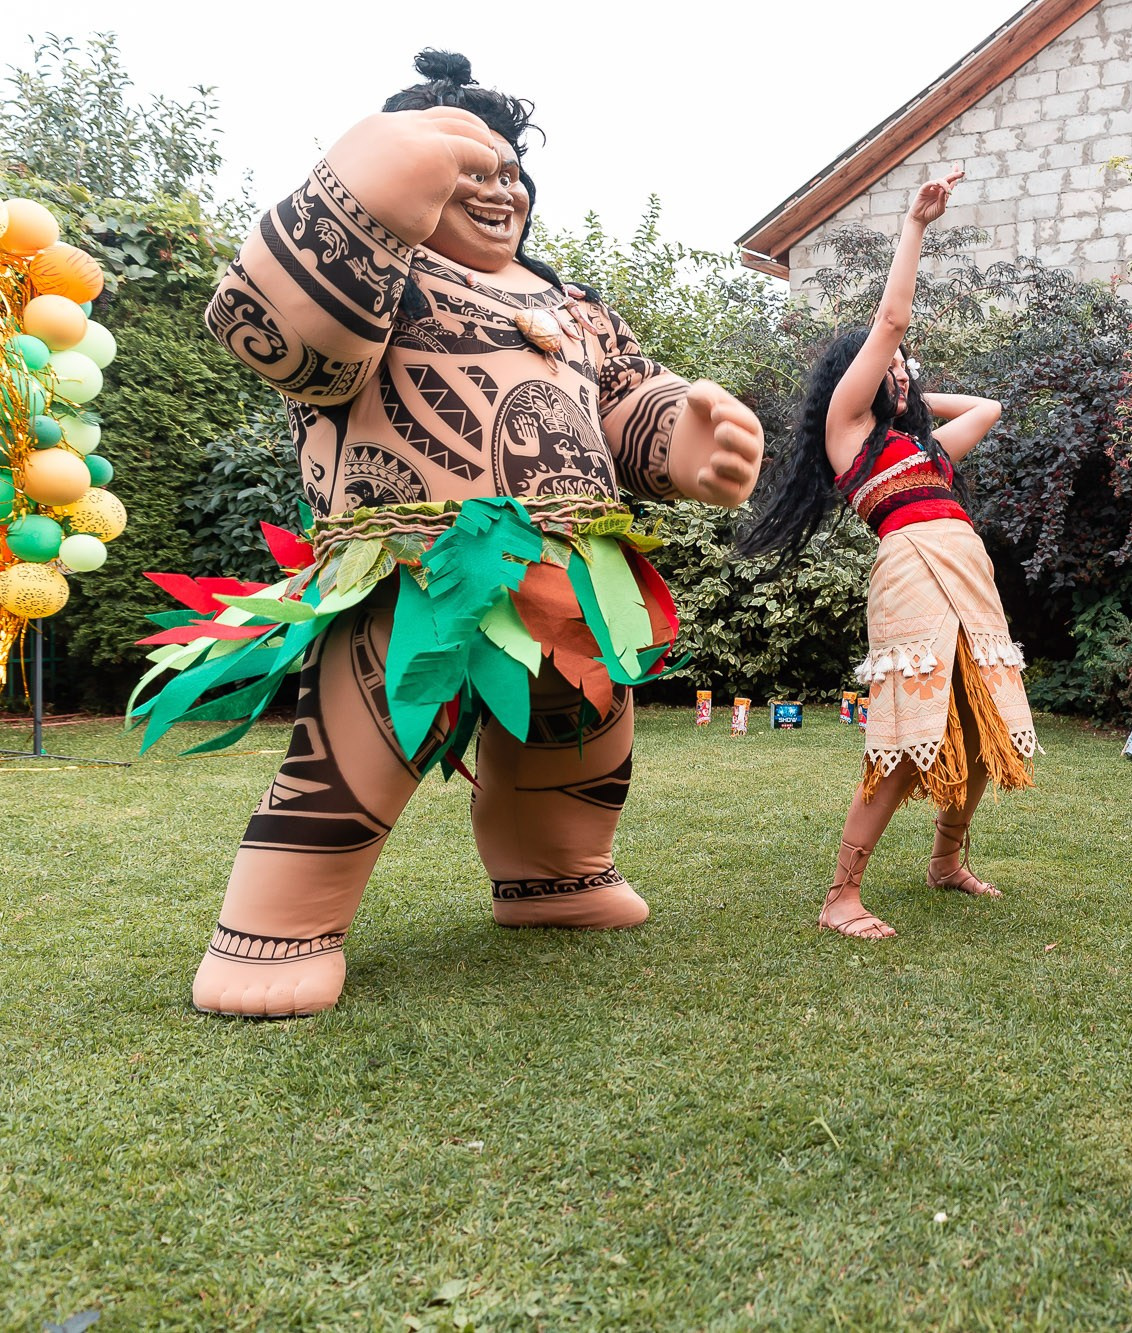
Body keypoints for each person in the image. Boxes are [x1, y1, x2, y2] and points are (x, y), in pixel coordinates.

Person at [134, 52, 765, 1016]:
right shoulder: (378, 272)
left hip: (568, 571)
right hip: (416, 566)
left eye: (511, 171)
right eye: (471, 170)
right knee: (367, 737)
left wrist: (688, 433)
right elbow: (272, 328)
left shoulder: (570, 303)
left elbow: (623, 403)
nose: (499, 188)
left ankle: (556, 875)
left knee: (584, 735)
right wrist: (358, 194)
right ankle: (275, 928)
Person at [734, 170, 1036, 940]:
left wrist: (916, 392)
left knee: (977, 723)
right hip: (910, 571)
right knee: (908, 739)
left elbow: (990, 409)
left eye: (904, 369)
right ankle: (842, 894)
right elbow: (893, 319)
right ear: (855, 379)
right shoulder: (847, 432)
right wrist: (915, 226)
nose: (899, 369)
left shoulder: (924, 449)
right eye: (887, 367)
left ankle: (945, 861)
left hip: (967, 572)